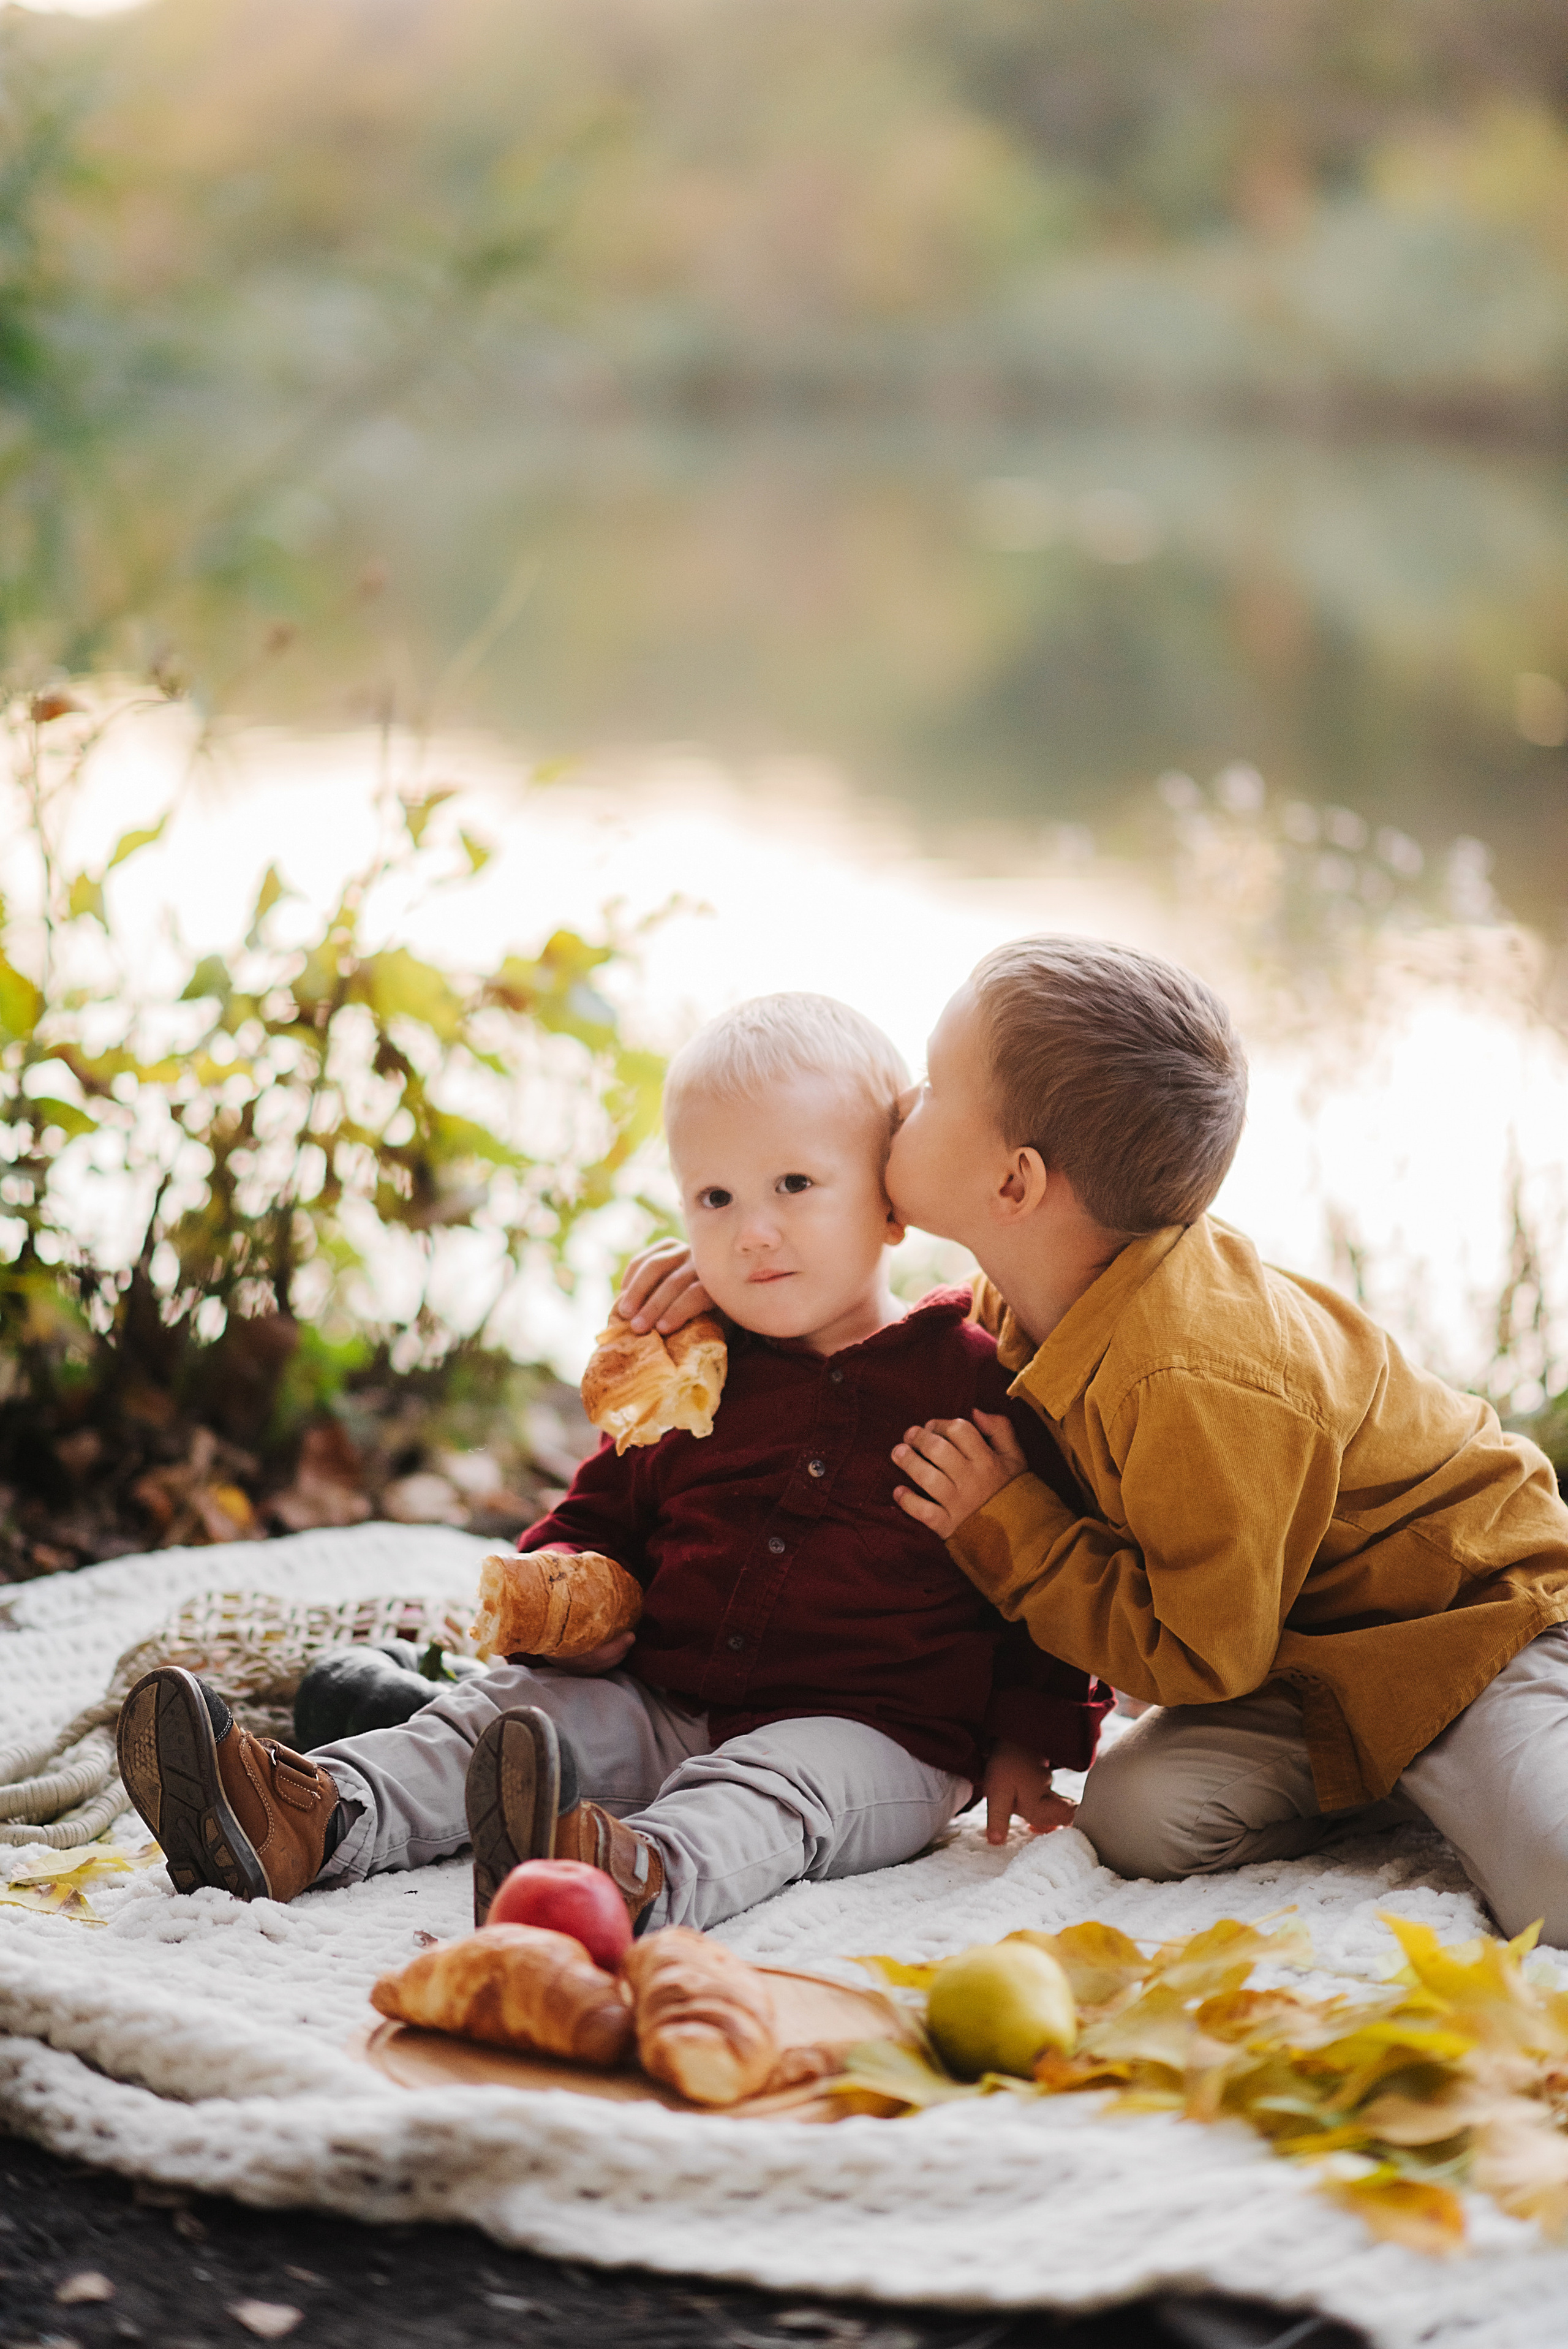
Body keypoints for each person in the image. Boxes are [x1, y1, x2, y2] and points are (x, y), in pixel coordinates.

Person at [622, 938, 1568, 1944]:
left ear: (1016, 1185)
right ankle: (1394, 1775)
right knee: (1136, 1817)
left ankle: (1495, 1759)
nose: (901, 1104)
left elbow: (1200, 1658)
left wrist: (1016, 1532)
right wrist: (725, 1282)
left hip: (1470, 1628)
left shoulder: (1193, 1376)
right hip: (1305, 1659)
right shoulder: (1034, 1289)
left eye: (934, 1088)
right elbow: (893, 1337)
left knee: (1556, 1886)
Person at [117, 993, 1109, 1931]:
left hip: (878, 1736)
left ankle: (627, 1878)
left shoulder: (974, 1382)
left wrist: (1029, 1737)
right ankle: (309, 1814)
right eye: (713, 1198)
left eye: (796, 1186)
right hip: (666, 1698)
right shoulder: (689, 1374)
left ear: (892, 1205)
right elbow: (605, 1518)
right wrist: (566, 1613)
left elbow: (1039, 1578)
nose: (752, 1231)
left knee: (770, 1794)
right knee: (506, 1716)